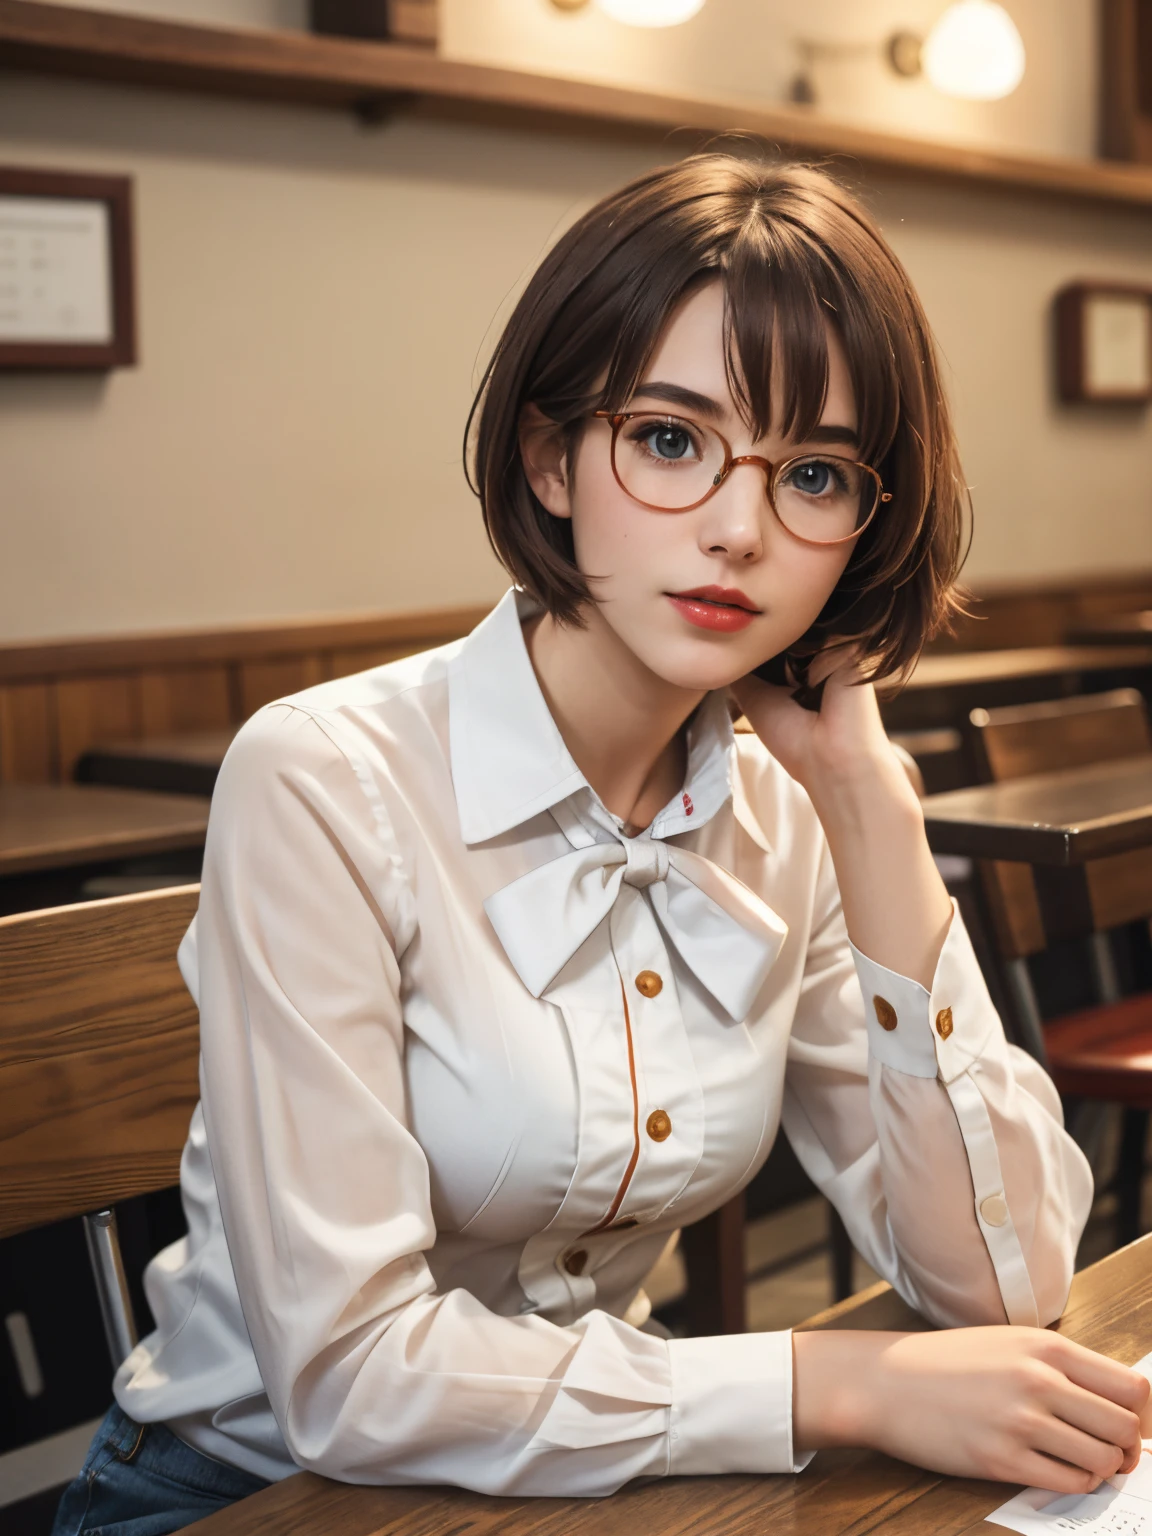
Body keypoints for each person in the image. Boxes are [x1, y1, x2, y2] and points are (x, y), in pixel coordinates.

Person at [55, 154, 1149, 1536]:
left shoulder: (786, 813)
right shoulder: (325, 778)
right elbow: (347, 1378)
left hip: (575, 1493)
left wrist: (873, 816)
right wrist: (836, 1384)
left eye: (813, 472)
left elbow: (1001, 1292)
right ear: (548, 456)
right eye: (672, 440)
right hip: (244, 1497)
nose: (739, 531)